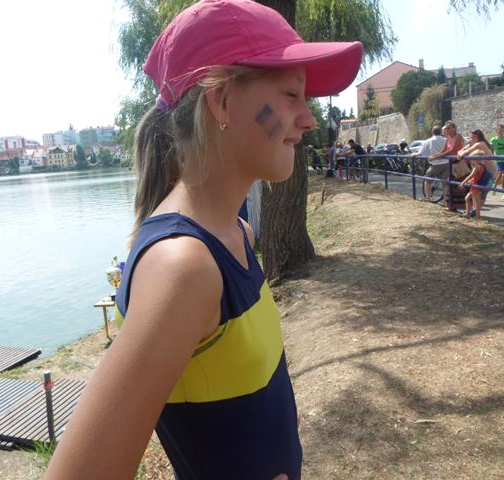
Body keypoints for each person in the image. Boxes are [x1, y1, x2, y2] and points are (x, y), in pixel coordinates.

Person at [43, 1, 364, 479]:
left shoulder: (236, 234)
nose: (308, 119)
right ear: (222, 102)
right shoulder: (183, 268)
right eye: (291, 95)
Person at [457, 130, 495, 220]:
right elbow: (460, 153)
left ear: (479, 137)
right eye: (471, 137)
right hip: (482, 174)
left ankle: (476, 214)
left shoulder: (480, 144)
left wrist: (462, 152)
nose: (472, 139)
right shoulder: (475, 145)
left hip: (487, 175)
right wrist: (462, 151)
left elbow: (461, 154)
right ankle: (474, 213)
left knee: (480, 196)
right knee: (476, 196)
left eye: (474, 137)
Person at [416, 126, 447, 202]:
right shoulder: (446, 140)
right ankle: (446, 201)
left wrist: (414, 154)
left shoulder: (429, 141)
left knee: (427, 179)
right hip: (447, 162)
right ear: (441, 132)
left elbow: (421, 153)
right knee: (446, 183)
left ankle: (428, 198)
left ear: (432, 132)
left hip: (436, 163)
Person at [490, 124, 504, 199]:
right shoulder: (493, 140)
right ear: (496, 131)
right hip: (499, 159)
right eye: (500, 131)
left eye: (503, 131)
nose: (501, 132)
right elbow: (490, 148)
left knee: (500, 175)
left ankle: (494, 187)